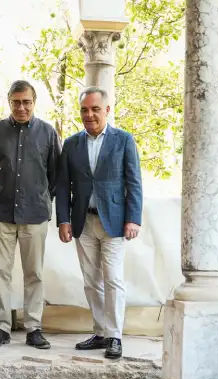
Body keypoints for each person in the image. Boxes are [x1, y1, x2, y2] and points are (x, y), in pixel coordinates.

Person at [55, 86, 143, 359]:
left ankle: (115, 335)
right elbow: (62, 186)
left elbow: (134, 182)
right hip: (83, 223)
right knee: (91, 281)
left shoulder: (123, 140)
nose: (89, 114)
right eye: (84, 109)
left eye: (95, 109)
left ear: (107, 110)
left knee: (113, 279)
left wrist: (133, 218)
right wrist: (63, 221)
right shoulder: (71, 144)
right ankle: (100, 332)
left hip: (114, 222)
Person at [0, 80, 61, 349]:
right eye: (16, 102)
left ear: (34, 102)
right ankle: (2, 326)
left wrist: (43, 200)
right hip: (2, 213)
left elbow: (55, 174)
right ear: (8, 102)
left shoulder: (48, 133)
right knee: (1, 272)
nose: (21, 107)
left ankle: (34, 327)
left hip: (35, 214)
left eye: (26, 102)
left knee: (34, 273)